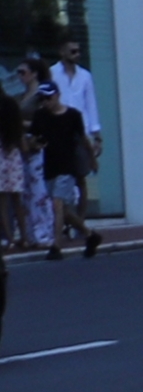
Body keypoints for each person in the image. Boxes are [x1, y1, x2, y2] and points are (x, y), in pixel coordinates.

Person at [30, 82, 97, 259]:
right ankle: (90, 234)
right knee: (64, 211)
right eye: (42, 99)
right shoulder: (40, 116)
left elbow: (83, 140)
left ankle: (56, 246)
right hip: (50, 166)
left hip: (68, 166)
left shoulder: (73, 115)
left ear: (57, 95)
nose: (45, 102)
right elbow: (34, 138)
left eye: (48, 97)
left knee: (57, 204)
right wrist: (36, 143)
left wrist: (91, 159)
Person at [50, 39, 102, 222]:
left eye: (78, 51)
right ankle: (63, 219)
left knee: (81, 177)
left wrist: (96, 135)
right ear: (62, 52)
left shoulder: (85, 76)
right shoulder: (52, 73)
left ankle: (80, 220)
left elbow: (91, 105)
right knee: (61, 179)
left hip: (81, 132)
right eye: (72, 51)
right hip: (59, 132)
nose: (77, 54)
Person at [0, 90, 26, 252]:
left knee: (2, 203)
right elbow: (20, 134)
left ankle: (9, 238)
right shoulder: (11, 105)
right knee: (17, 200)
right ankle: (24, 236)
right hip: (13, 155)